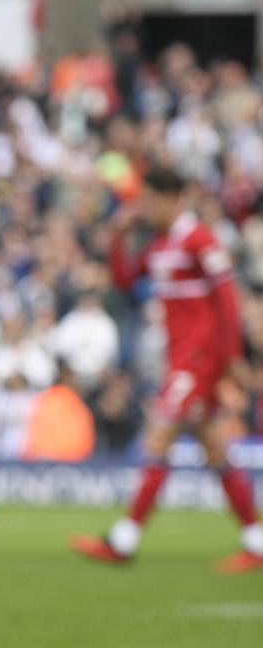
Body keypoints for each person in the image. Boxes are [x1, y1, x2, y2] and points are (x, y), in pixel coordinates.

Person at [70, 167, 262, 573]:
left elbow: (227, 302)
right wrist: (120, 236)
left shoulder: (199, 240)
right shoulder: (159, 244)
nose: (145, 208)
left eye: (151, 200)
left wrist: (230, 361)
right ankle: (256, 540)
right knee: (215, 449)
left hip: (198, 360)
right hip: (180, 358)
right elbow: (125, 280)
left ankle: (124, 540)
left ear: (173, 198)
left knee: (158, 437)